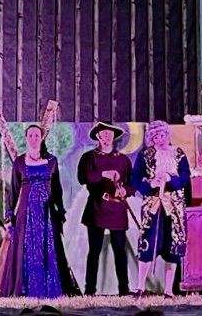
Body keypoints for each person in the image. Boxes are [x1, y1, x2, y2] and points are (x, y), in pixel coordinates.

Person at [0, 124, 79, 298]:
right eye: (30, 135)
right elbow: (14, 189)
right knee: (26, 247)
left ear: (42, 138)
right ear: (26, 138)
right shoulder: (19, 162)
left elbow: (57, 189)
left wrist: (60, 210)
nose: (34, 138)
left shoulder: (52, 161)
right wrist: (9, 212)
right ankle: (26, 288)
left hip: (47, 212)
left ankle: (50, 288)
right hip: (26, 213)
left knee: (48, 246)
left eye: (37, 135)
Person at [131, 120, 190, 296]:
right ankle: (140, 287)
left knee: (173, 245)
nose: (160, 139)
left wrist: (171, 180)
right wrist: (151, 184)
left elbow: (185, 176)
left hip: (174, 207)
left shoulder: (178, 153)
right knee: (148, 243)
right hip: (153, 204)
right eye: (156, 137)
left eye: (162, 135)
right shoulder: (145, 155)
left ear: (167, 135)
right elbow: (135, 178)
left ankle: (169, 290)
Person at [77, 121, 135, 296]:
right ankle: (89, 291)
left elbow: (132, 184)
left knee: (120, 251)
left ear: (114, 136)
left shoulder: (123, 159)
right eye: (103, 133)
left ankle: (124, 290)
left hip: (117, 209)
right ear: (98, 136)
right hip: (97, 207)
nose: (106, 136)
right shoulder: (89, 157)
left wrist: (126, 190)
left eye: (109, 133)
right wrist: (102, 174)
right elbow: (83, 178)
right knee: (94, 251)